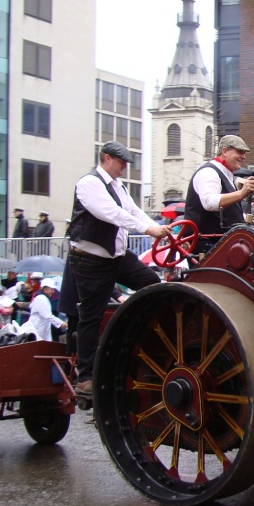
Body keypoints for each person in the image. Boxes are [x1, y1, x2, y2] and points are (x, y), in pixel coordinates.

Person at [66, 141, 171, 397]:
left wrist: (159, 229)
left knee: (153, 285)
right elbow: (112, 214)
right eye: (121, 161)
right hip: (91, 261)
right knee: (91, 315)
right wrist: (149, 229)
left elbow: (133, 210)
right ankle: (86, 377)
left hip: (116, 257)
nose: (124, 167)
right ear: (106, 158)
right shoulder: (89, 183)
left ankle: (140, 339)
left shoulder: (118, 186)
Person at [183, 135, 254, 255]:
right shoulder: (208, 172)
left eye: (244, 153)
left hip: (219, 243)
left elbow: (231, 213)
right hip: (205, 245)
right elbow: (209, 202)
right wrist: (241, 193)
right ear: (224, 151)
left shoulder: (226, 175)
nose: (243, 157)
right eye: (239, 152)